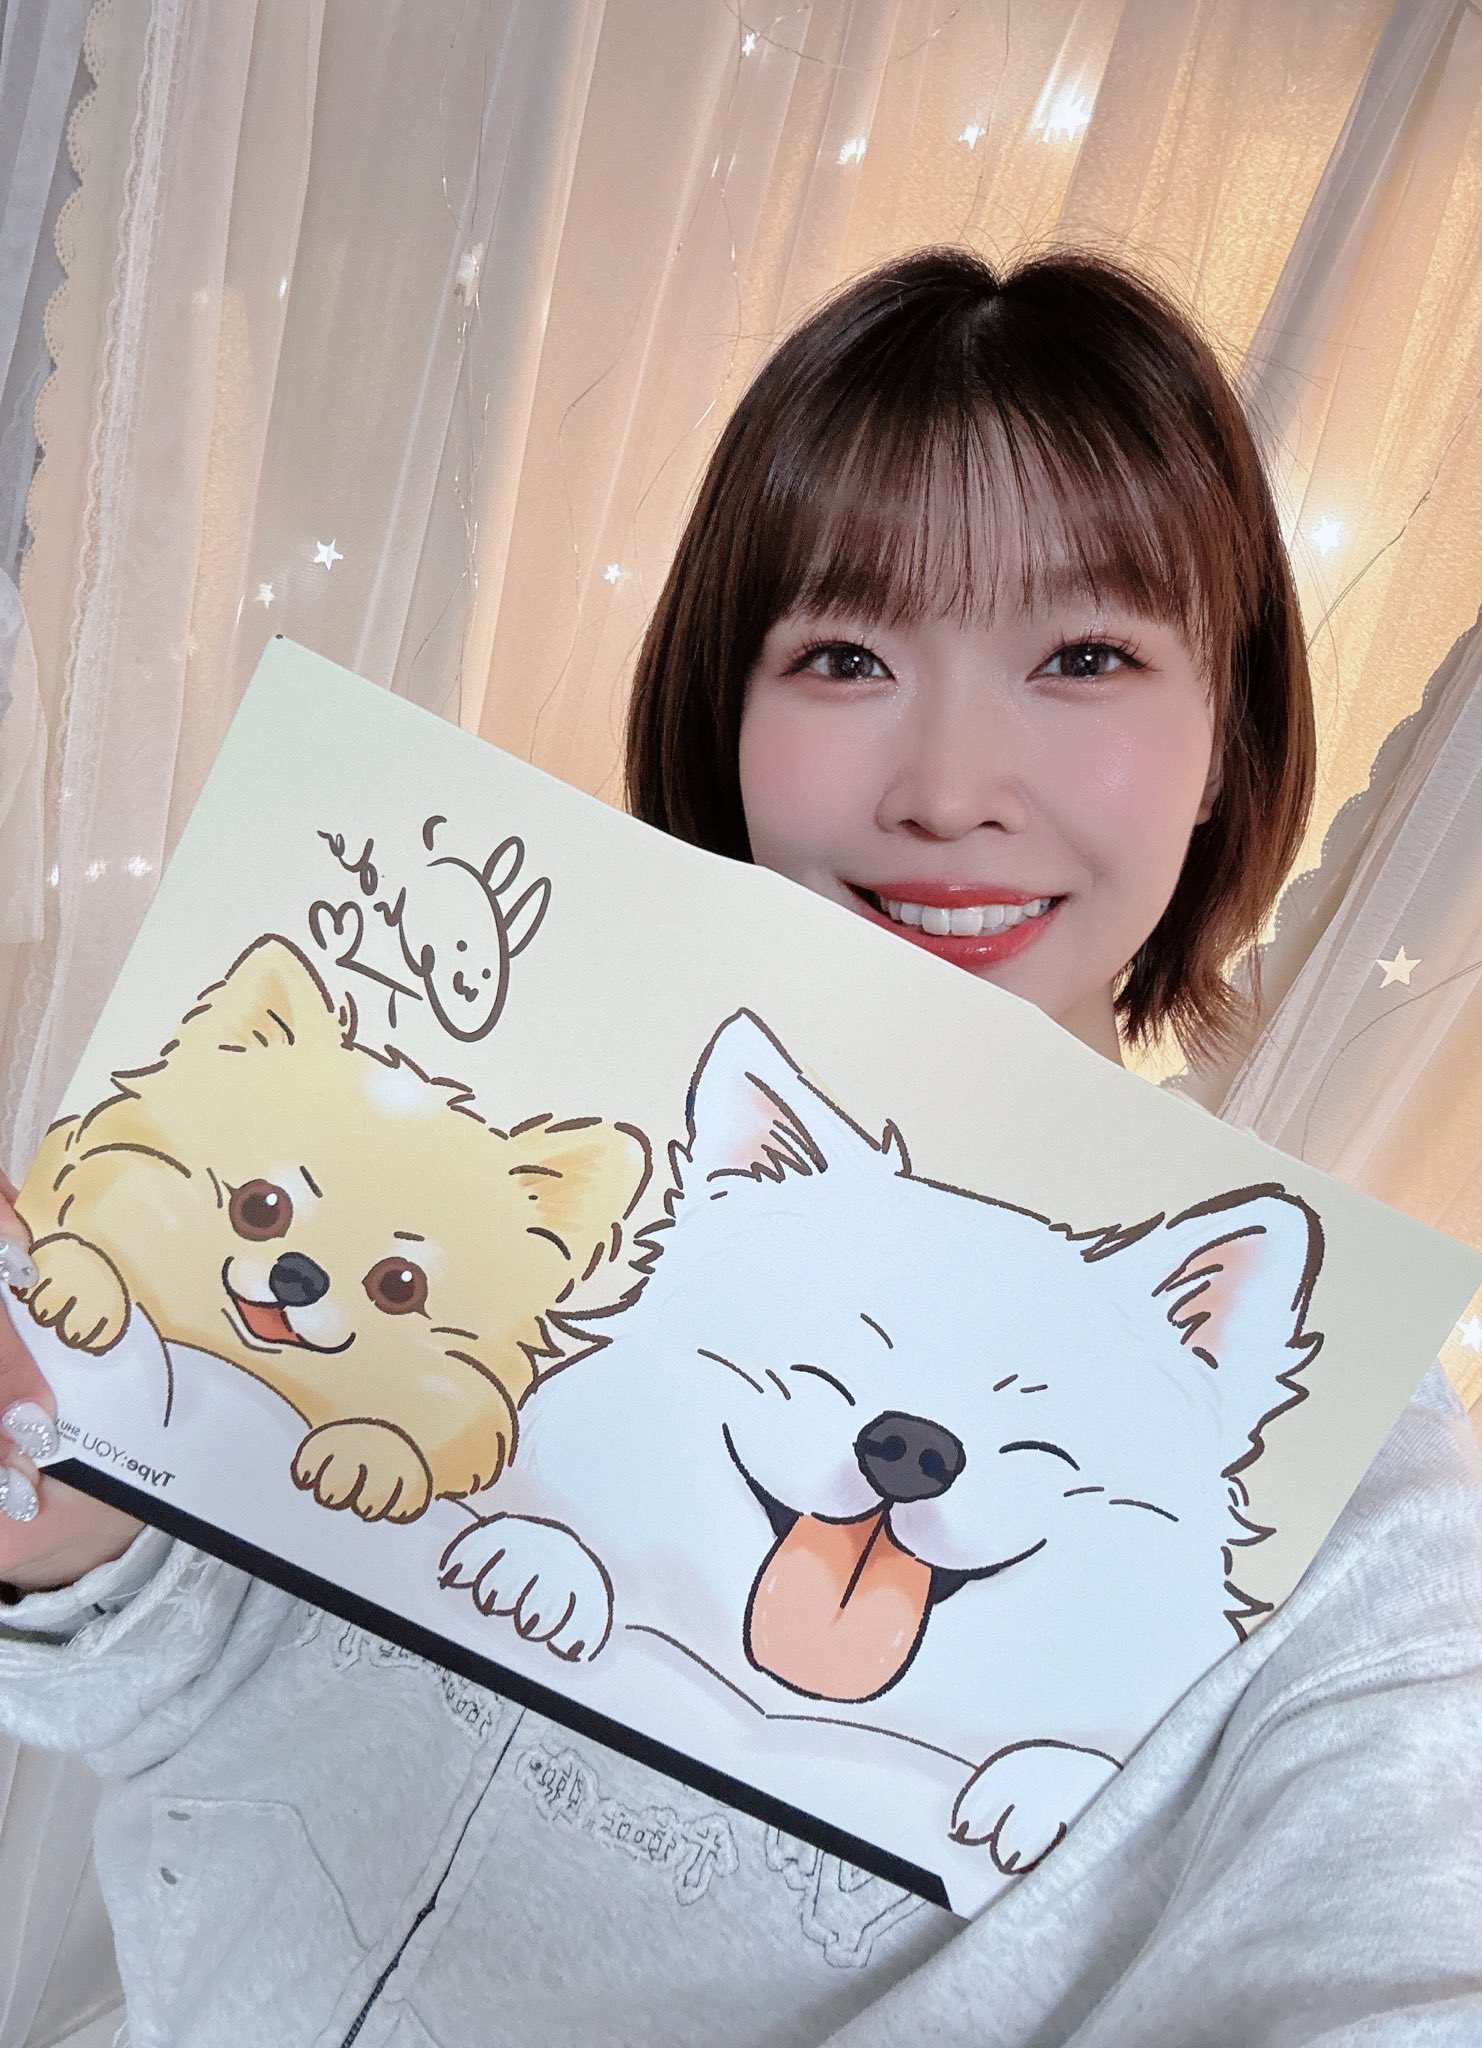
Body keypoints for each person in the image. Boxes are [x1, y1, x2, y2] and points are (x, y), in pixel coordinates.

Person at [1, 247, 1479, 2047]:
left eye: (1083, 656)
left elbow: (1402, 1956)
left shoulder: (1345, 1488)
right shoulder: (515, 1164)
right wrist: (81, 1535)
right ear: (728, 710)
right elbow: (196, 1715)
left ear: (1228, 740)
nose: (948, 789)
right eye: (843, 655)